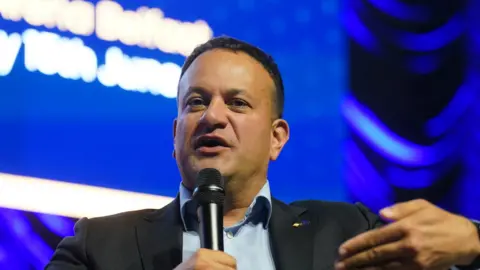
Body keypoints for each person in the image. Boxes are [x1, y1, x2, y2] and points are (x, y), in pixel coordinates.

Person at [45, 36, 480, 270]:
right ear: (176, 133)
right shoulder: (98, 245)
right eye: (196, 102)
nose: (212, 117)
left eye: (237, 103)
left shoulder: (348, 232)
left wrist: (474, 242)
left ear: (277, 138)